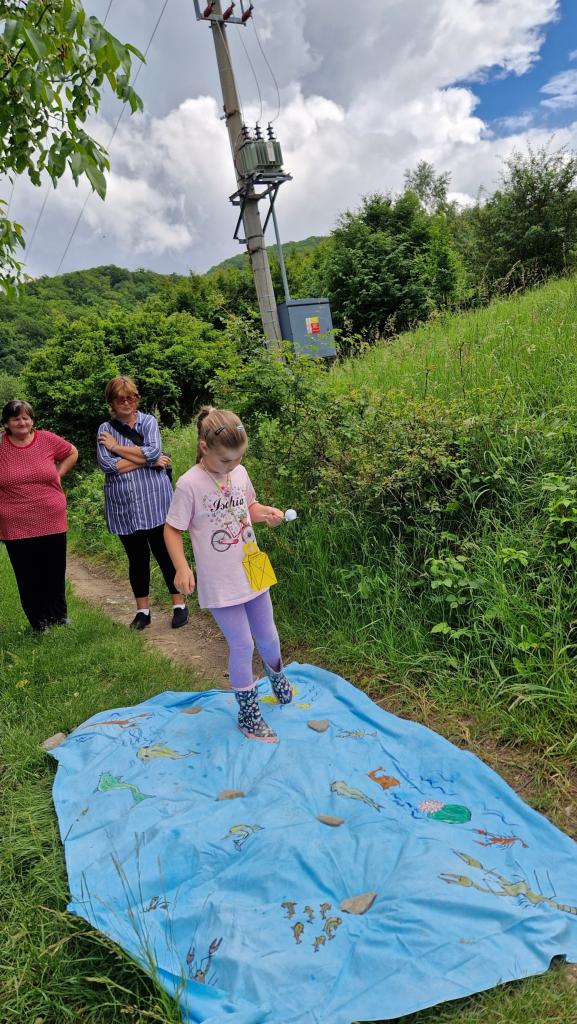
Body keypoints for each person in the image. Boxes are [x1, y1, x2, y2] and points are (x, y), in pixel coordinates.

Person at [164, 405, 291, 743]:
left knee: (268, 634)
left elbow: (249, 507)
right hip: (221, 580)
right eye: (225, 460)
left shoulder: (240, 472)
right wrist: (181, 567)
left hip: (253, 567)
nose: (232, 465)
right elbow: (172, 529)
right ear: (204, 447)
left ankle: (278, 678)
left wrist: (266, 514)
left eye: (238, 459)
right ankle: (248, 715)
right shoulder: (189, 484)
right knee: (242, 643)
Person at [97, 376, 188, 630]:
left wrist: (117, 447)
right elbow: (107, 465)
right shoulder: (104, 428)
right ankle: (143, 611)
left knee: (165, 554)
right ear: (111, 402)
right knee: (137, 559)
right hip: (124, 506)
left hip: (155, 502)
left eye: (131, 397)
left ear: (136, 398)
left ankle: (179, 605)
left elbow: (154, 451)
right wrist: (148, 460)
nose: (126, 402)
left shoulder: (148, 421)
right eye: (120, 399)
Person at [0, 399, 78, 631]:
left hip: (52, 517)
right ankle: (39, 622)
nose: (21, 422)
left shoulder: (46, 439)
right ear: (6, 423)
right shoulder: (1, 447)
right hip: (15, 522)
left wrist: (59, 473)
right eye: (15, 418)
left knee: (54, 570)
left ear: (32, 420)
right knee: (27, 574)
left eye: (26, 417)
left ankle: (59, 617)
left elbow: (72, 452)